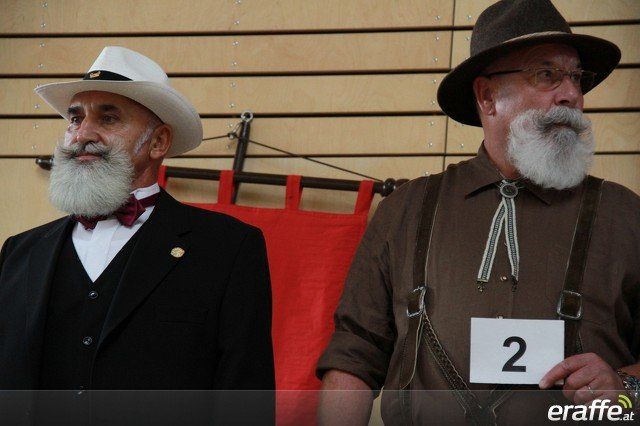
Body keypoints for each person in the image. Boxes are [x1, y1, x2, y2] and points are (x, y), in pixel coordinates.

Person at [316, 1, 640, 424]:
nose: (571, 95)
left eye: (576, 77)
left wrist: (627, 387)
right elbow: (354, 357)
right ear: (488, 97)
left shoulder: (625, 215)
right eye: (547, 75)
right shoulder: (404, 211)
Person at [0, 46, 274, 423]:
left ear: (158, 143)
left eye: (108, 118)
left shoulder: (227, 249)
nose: (83, 134)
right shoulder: (20, 252)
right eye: (75, 118)